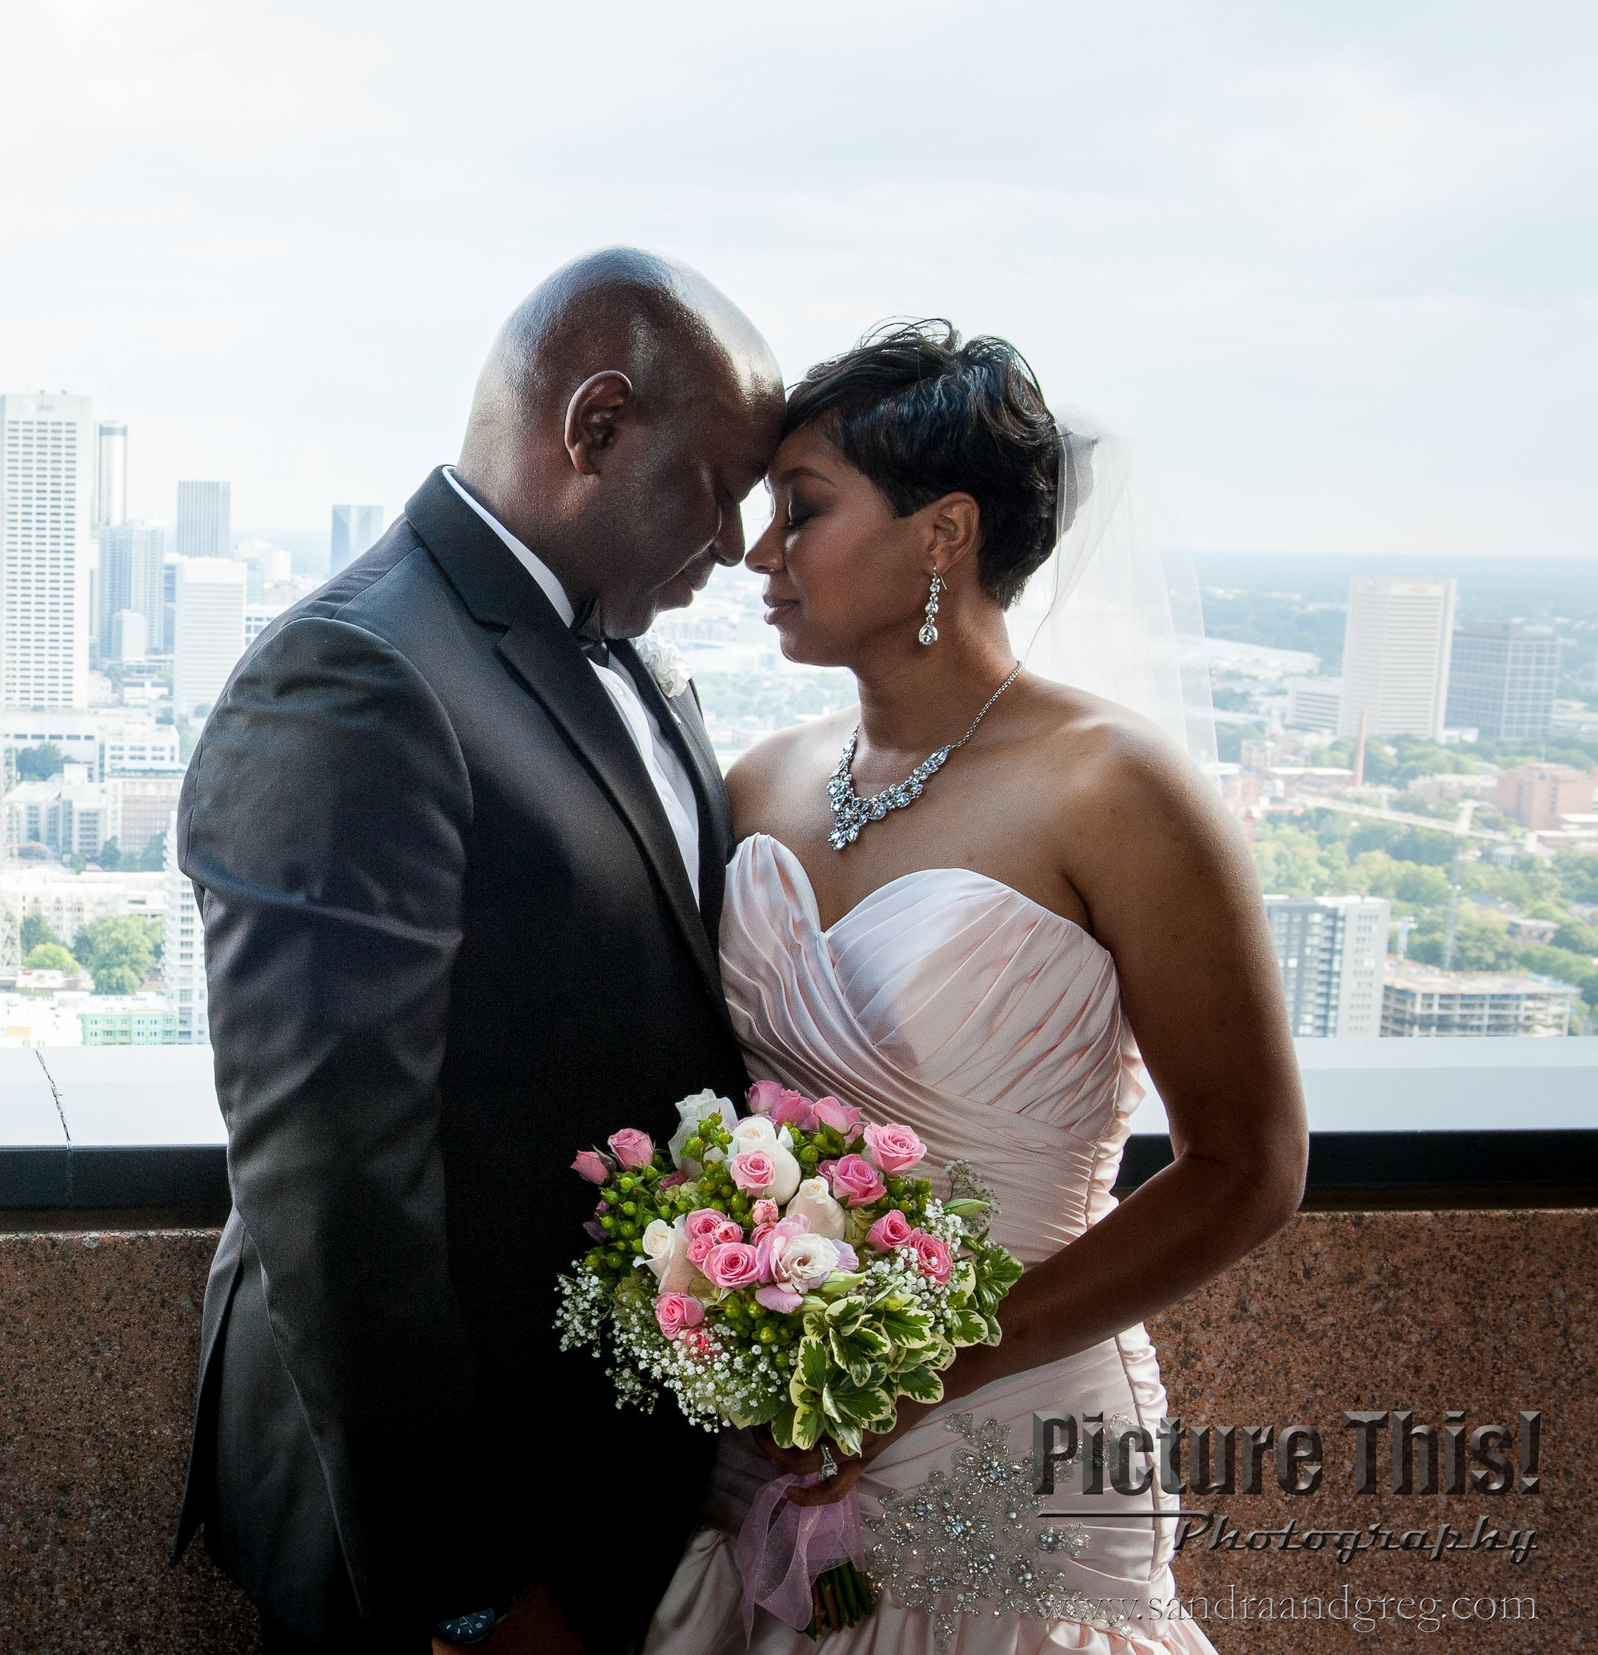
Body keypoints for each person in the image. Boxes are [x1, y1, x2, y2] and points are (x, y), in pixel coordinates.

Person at [641, 322, 1308, 1654]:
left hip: (1013, 1422)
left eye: (805, 512)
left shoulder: (1115, 791)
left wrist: (929, 1368)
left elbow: (1249, 1166)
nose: (758, 554)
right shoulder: (760, 780)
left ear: (943, 533)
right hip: (774, 1424)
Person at [172, 248, 786, 1655]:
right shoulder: (354, 676)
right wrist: (466, 1587)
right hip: (440, 1526)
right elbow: (330, 1187)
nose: (743, 541)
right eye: (721, 484)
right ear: (598, 427)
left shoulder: (629, 655)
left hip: (606, 1481)